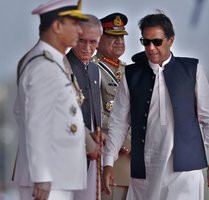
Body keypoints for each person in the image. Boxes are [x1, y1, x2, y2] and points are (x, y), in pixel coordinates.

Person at [102, 12, 209, 200]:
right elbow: (118, 122)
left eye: (157, 42)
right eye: (146, 42)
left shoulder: (191, 70)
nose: (151, 48)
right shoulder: (131, 75)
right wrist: (108, 162)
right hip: (145, 172)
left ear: (171, 40)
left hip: (185, 171)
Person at [12, 0, 89, 200]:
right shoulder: (44, 67)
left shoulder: (52, 63)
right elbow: (36, 124)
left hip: (57, 176)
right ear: (56, 26)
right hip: (48, 180)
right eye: (75, 24)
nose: (80, 31)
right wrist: (42, 176)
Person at [91, 12, 131, 200]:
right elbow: (97, 115)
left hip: (135, 162)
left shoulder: (128, 70)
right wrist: (128, 141)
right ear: (98, 40)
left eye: (121, 36)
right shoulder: (92, 69)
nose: (119, 41)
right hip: (112, 158)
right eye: (112, 37)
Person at [66, 14, 103, 200]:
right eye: (82, 41)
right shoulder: (63, 66)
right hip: (69, 150)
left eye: (93, 42)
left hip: (92, 154)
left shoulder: (95, 69)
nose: (87, 48)